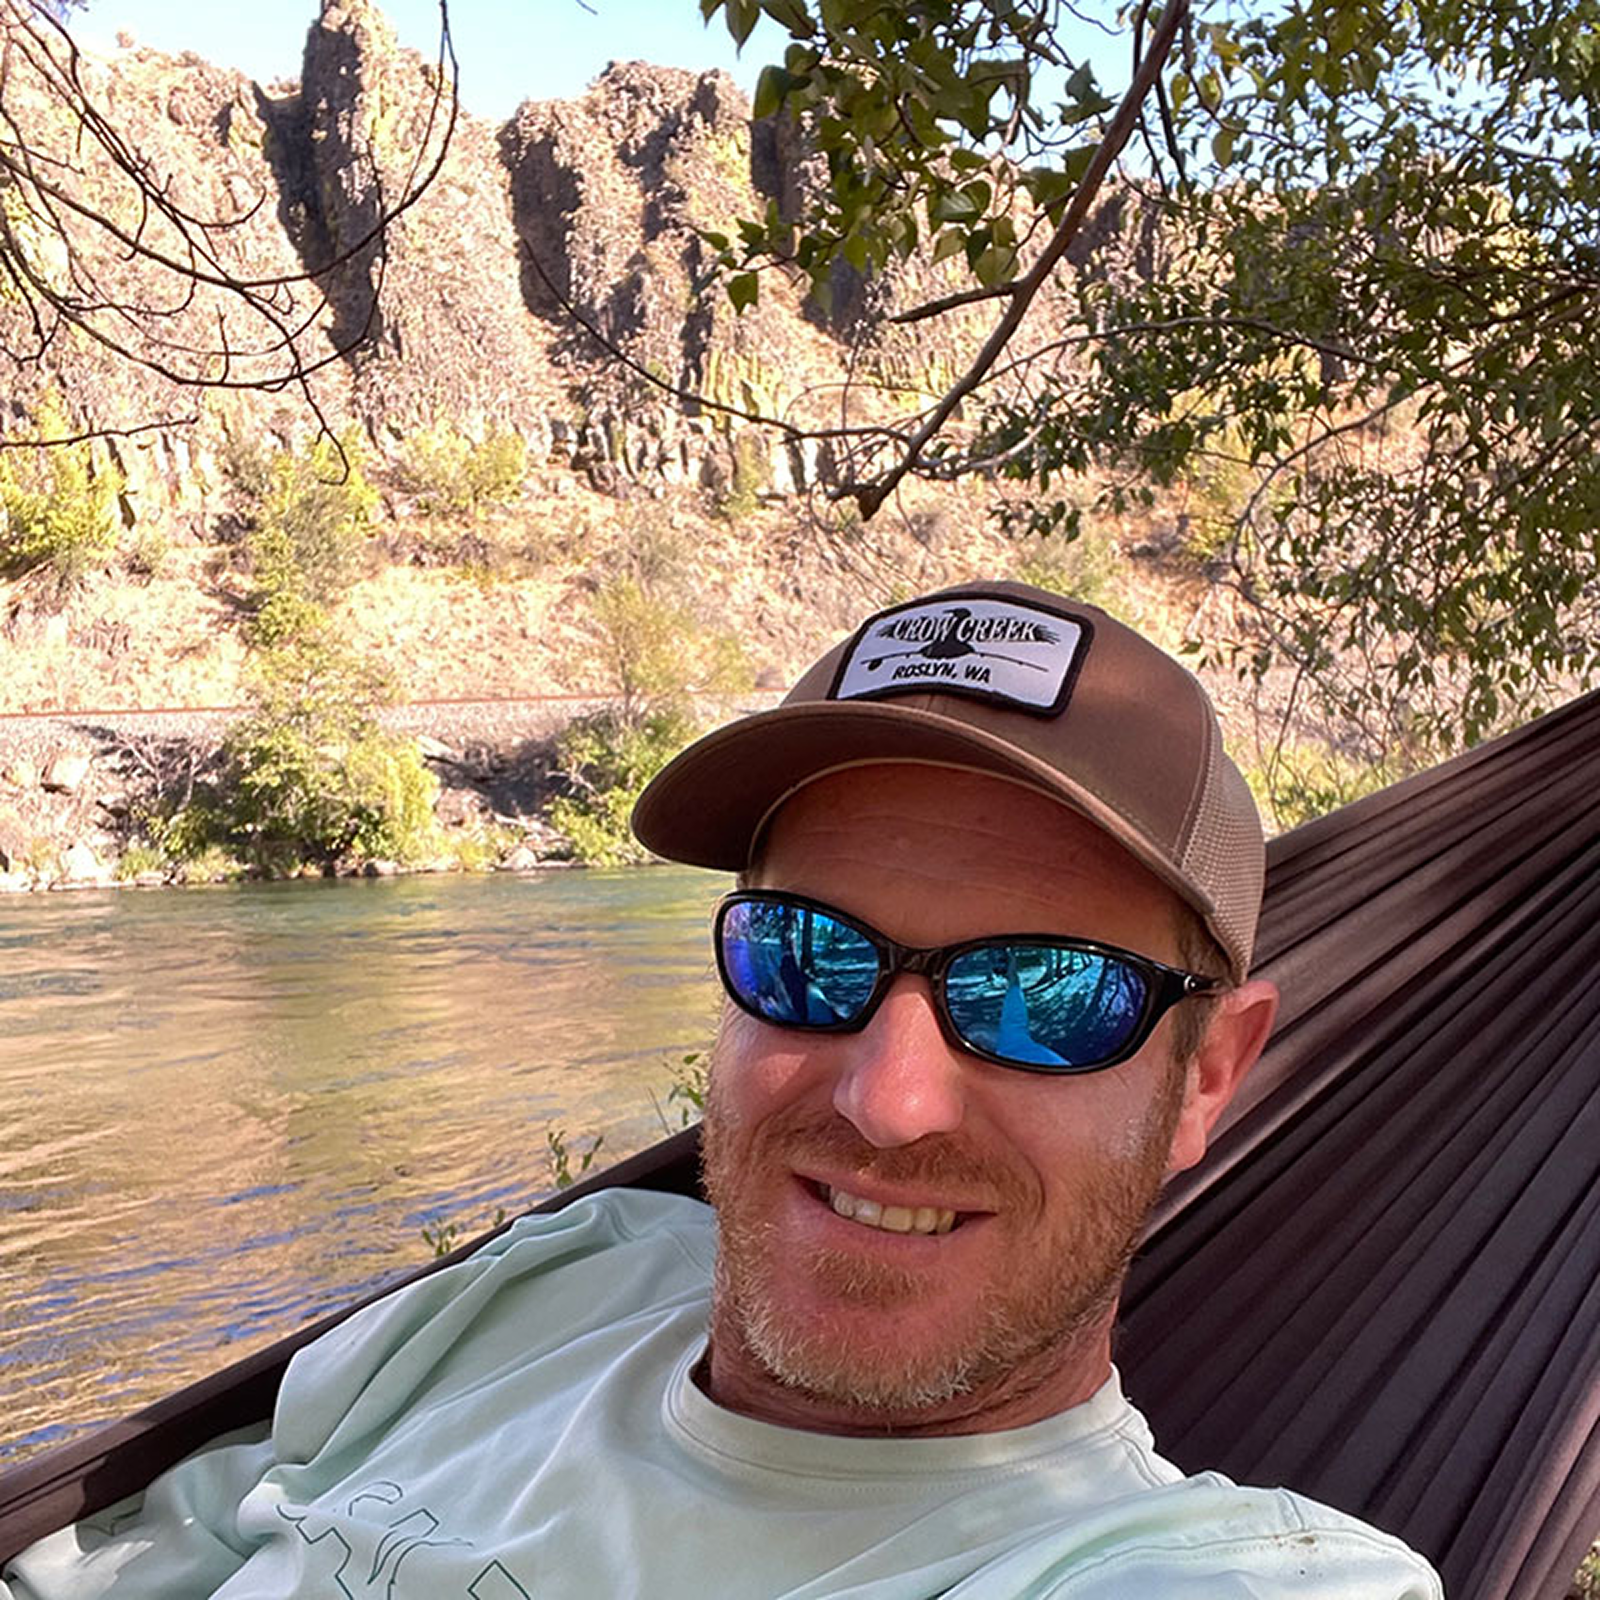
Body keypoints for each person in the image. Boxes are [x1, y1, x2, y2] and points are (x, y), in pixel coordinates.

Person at [1, 580, 1444, 1598]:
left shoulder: (1185, 1573)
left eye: (1044, 998)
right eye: (807, 958)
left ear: (1211, 1075)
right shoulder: (563, 1277)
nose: (891, 1101)